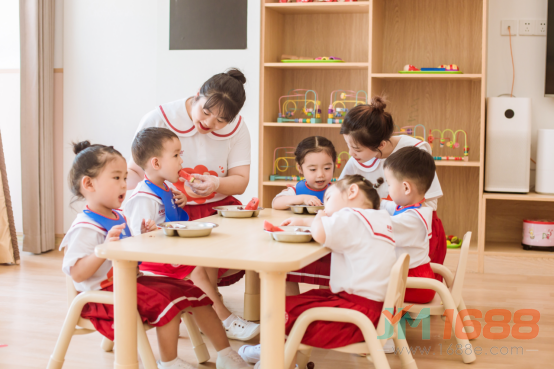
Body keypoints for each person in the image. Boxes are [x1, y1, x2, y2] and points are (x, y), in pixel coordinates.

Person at [60, 141, 249, 369]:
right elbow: (78, 274)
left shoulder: (119, 216)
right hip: (101, 298)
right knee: (167, 300)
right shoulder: (85, 227)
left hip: (130, 281)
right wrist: (104, 251)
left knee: (196, 293)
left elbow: (131, 251)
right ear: (89, 184)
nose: (124, 185)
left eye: (124, 178)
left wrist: (146, 236)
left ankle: (226, 354)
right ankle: (168, 362)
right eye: (116, 178)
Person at [289, 96, 446, 289]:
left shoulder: (414, 151)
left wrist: (379, 217)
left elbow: (428, 204)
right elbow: (339, 193)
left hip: (414, 231)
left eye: (356, 149)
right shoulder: (357, 160)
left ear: (380, 145)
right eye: (348, 145)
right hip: (378, 229)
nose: (351, 153)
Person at [238, 175, 397, 365]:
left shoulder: (350, 216)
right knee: (303, 300)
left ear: (352, 192)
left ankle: (276, 358)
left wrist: (319, 216)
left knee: (279, 308)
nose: (325, 206)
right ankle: (275, 350)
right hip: (378, 313)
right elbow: (342, 233)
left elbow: (321, 232)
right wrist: (307, 223)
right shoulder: (379, 218)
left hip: (355, 319)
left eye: (328, 198)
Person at [125, 127, 259, 341]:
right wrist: (145, 231)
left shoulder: (166, 189)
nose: (181, 161)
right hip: (151, 259)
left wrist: (182, 204)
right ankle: (224, 320)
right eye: (176, 155)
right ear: (156, 163)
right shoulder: (143, 197)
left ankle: (208, 313)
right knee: (194, 268)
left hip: (168, 251)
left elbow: (173, 221)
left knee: (205, 256)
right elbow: (134, 238)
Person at [271, 136, 337, 296]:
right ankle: (291, 305)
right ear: (300, 168)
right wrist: (301, 198)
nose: (321, 175)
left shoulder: (337, 191)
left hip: (326, 244)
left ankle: (326, 303)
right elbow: (276, 203)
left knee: (331, 274)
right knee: (285, 269)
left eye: (327, 168)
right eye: (313, 170)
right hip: (299, 243)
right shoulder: (297, 190)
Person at [382, 146, 437, 304]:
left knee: (365, 289)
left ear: (406, 188)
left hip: (414, 284)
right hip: (409, 278)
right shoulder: (412, 207)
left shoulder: (412, 220)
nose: (388, 189)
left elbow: (382, 224)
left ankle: (375, 325)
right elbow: (385, 205)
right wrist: (368, 201)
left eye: (389, 184)